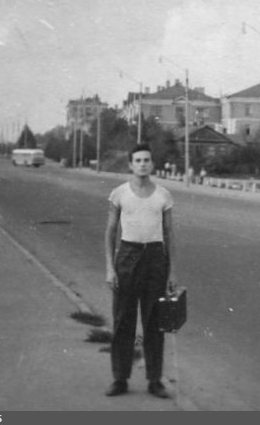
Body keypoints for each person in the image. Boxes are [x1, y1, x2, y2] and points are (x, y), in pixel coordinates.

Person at [104, 143, 176, 399]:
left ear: (152, 164)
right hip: (127, 256)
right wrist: (110, 268)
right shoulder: (119, 194)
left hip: (155, 259)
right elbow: (111, 232)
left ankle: (155, 380)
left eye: (147, 160)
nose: (143, 164)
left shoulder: (163, 196)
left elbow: (169, 235)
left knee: (154, 322)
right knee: (123, 320)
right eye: (138, 160)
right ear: (130, 165)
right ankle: (120, 379)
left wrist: (171, 272)